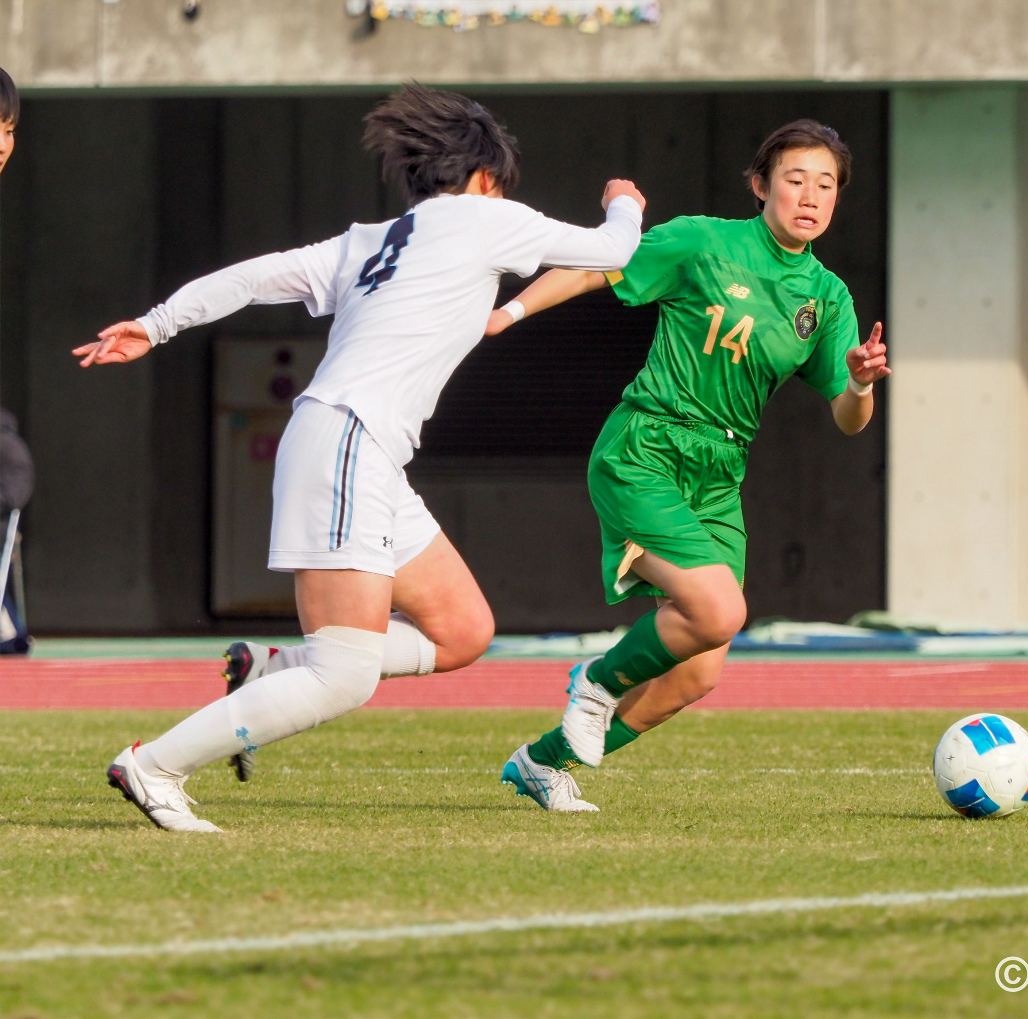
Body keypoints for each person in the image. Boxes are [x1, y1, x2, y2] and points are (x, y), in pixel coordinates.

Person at [75, 84, 646, 832]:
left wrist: (157, 323)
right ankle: (154, 766)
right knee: (343, 675)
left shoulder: (372, 240)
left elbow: (250, 277)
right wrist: (625, 198)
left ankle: (271, 671)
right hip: (350, 440)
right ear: (482, 176)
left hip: (360, 449)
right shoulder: (484, 216)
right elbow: (614, 251)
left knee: (462, 630)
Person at [490, 119, 889, 812]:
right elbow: (597, 264)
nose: (811, 195)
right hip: (648, 446)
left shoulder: (827, 298)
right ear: (762, 186)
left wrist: (859, 383)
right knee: (718, 608)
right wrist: (511, 311)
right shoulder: (704, 240)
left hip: (720, 471)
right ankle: (595, 683)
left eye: (826, 184)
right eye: (795, 178)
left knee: (698, 671)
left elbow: (849, 420)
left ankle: (541, 763)